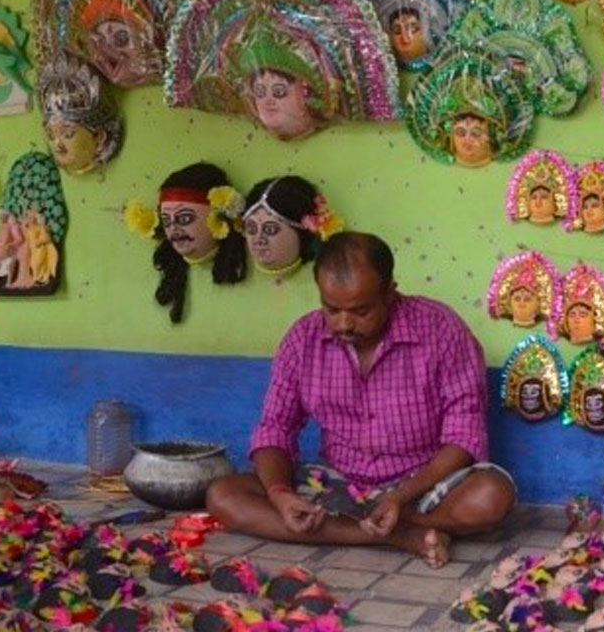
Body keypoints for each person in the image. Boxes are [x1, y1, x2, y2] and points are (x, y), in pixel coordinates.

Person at [207, 232, 516, 568]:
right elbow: (274, 429)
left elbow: (463, 437)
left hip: (421, 488)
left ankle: (384, 525)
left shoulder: (441, 330)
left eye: (360, 310)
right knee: (223, 495)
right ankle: (401, 536)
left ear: (390, 292)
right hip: (336, 486)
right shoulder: (303, 339)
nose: (344, 323)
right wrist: (280, 494)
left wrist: (399, 497)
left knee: (491, 496)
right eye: (332, 308)